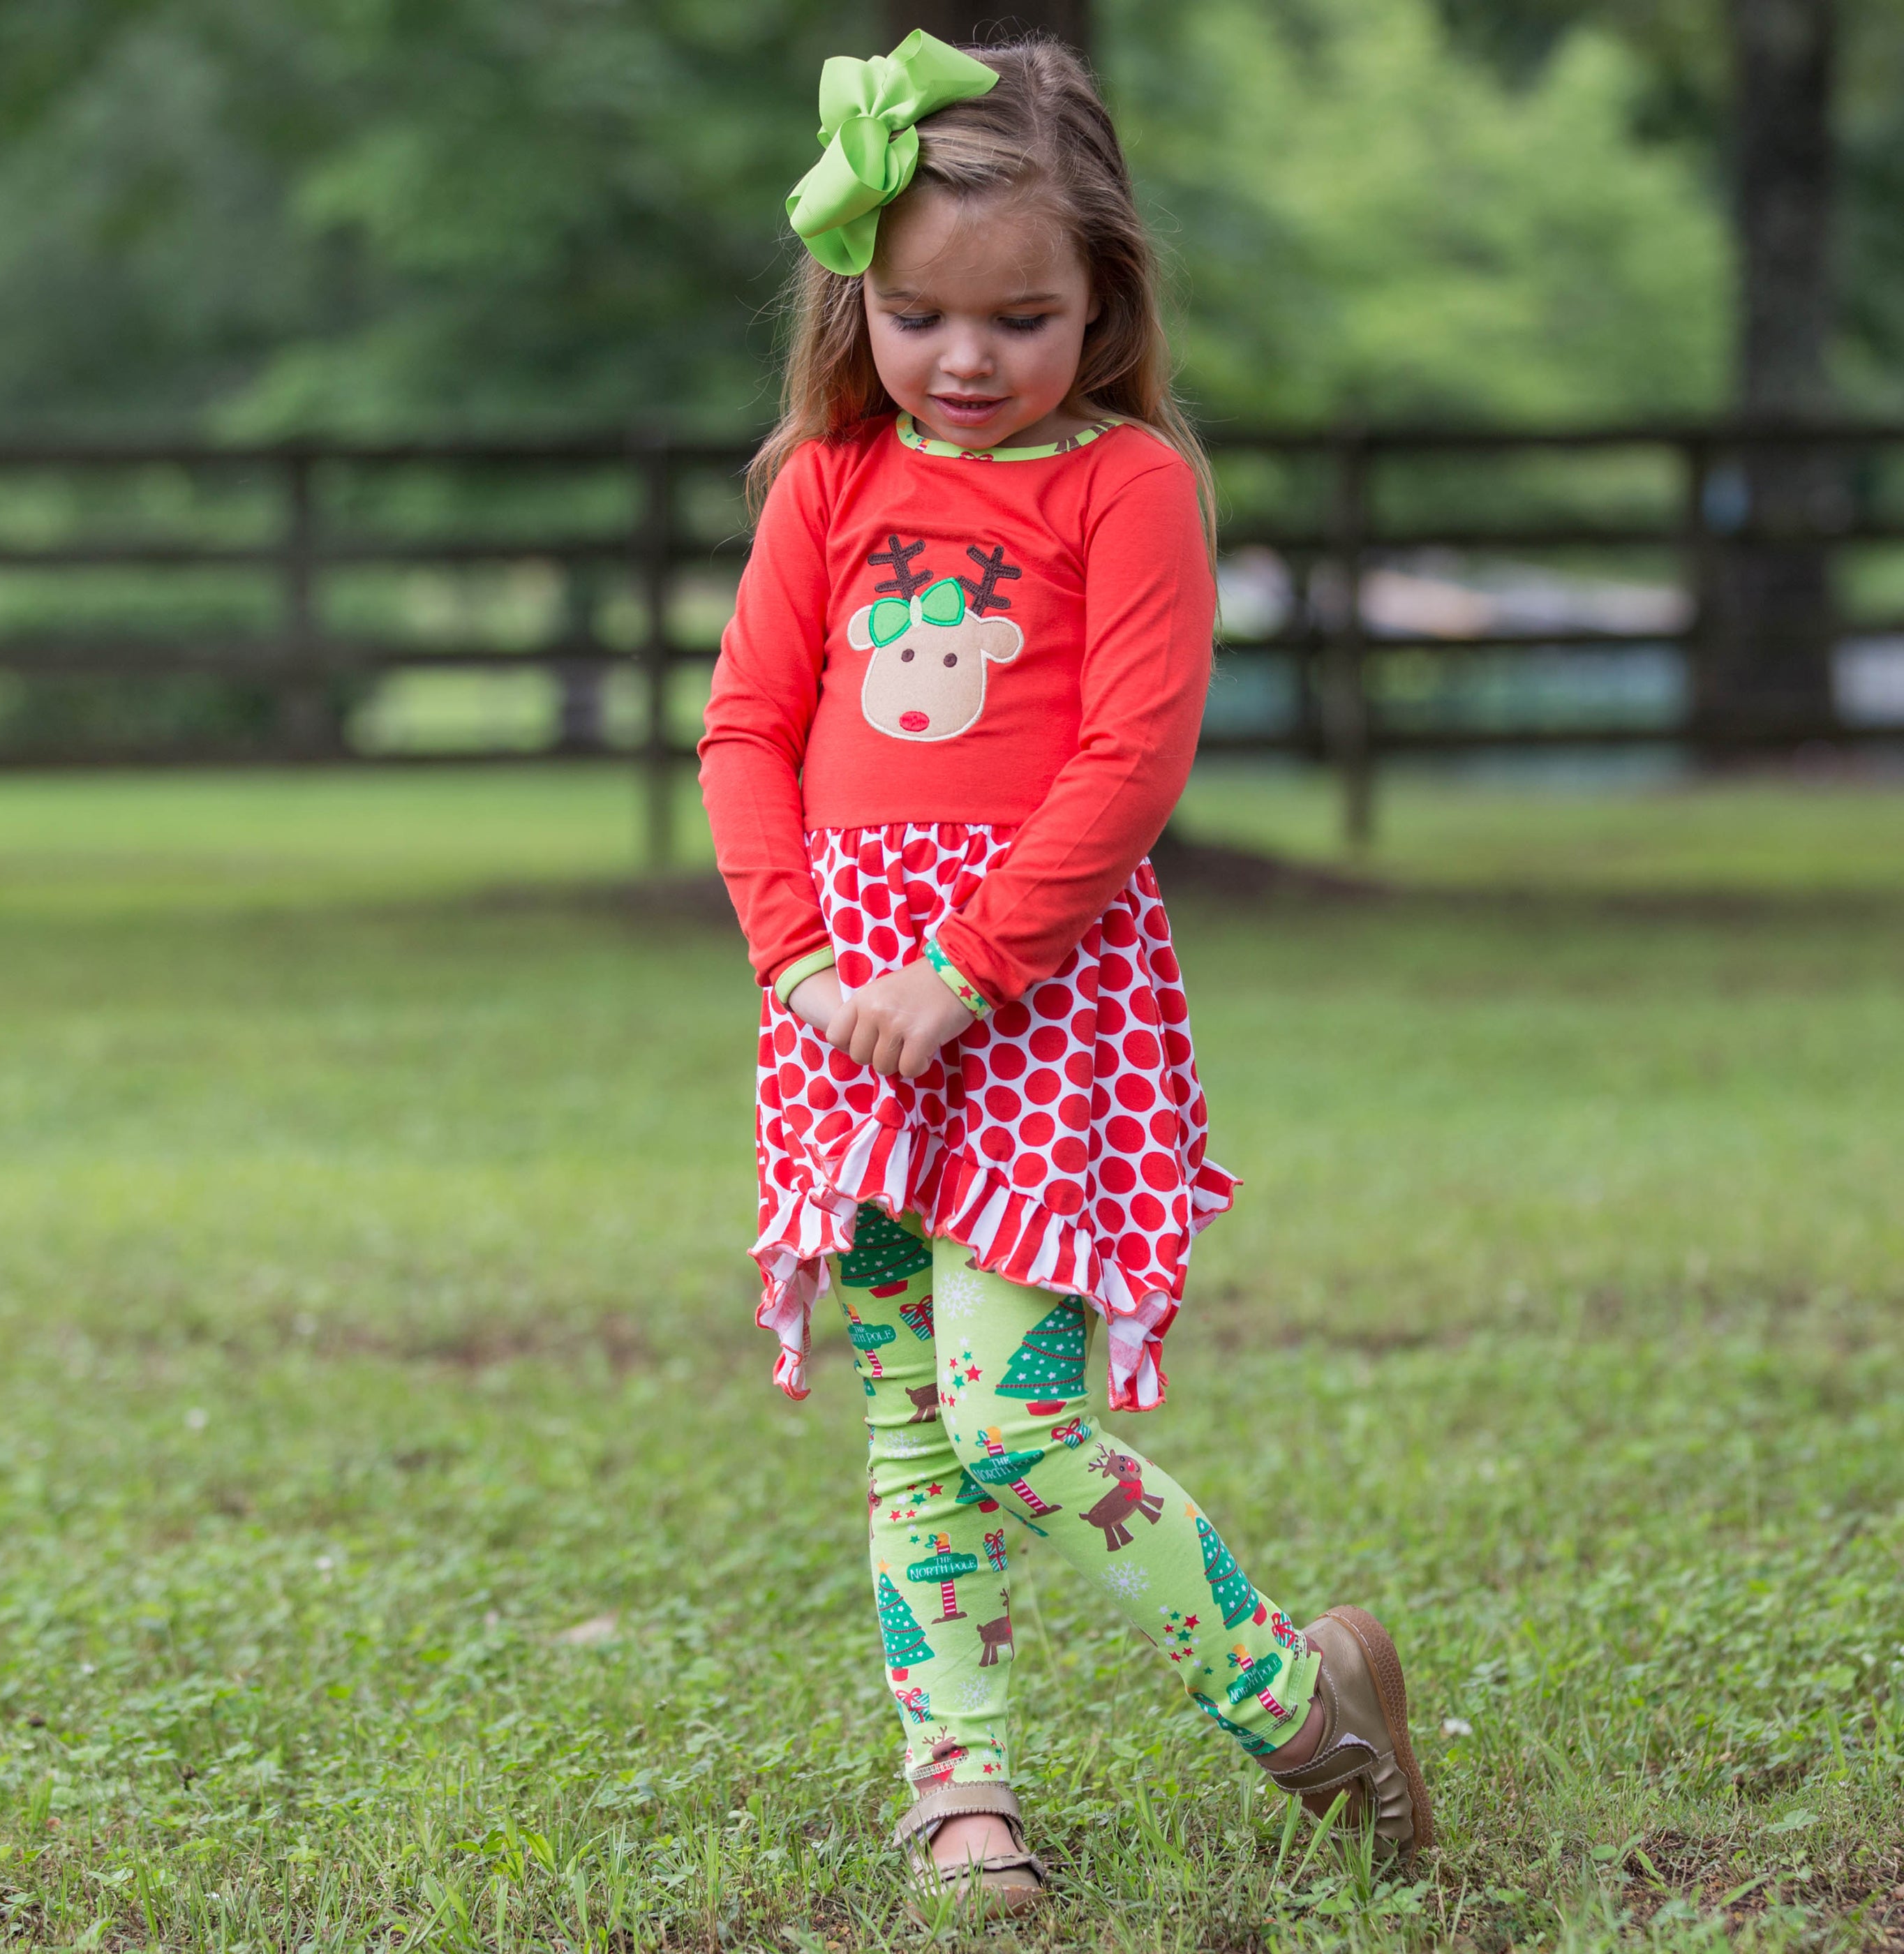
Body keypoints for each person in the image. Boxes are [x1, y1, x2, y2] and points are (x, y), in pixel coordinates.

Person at [698, 29, 1431, 1914]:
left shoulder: (1131, 488)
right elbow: (745, 729)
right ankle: (962, 1795)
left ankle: (1300, 1699)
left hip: (1033, 1007)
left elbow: (1128, 760)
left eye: (1018, 315)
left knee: (1017, 1424)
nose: (964, 357)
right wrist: (800, 961)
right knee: (909, 1434)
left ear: (1104, 292)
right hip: (844, 1013)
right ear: (856, 295)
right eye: (921, 313)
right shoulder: (828, 483)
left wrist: (965, 966)